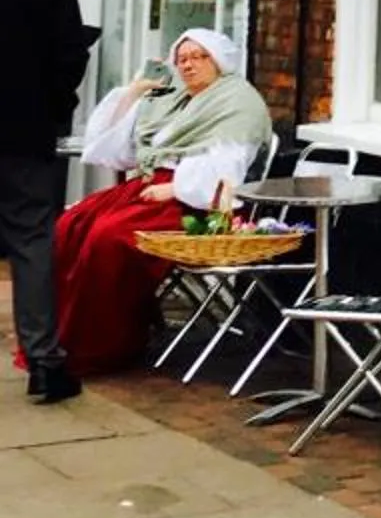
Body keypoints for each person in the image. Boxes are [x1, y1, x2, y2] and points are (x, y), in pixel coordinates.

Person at [55, 29, 273, 378]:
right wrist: (134, 92)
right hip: (147, 186)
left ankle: (106, 345)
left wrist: (175, 188)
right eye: (182, 59)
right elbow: (117, 151)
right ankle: (61, 338)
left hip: (192, 201)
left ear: (217, 61)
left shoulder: (236, 103)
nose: (188, 65)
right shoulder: (173, 99)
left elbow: (228, 172)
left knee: (108, 238)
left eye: (197, 57)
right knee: (70, 224)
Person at [0, 0, 92, 403]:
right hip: (25, 129)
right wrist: (54, 106)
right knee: (32, 243)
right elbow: (71, 52)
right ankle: (44, 364)